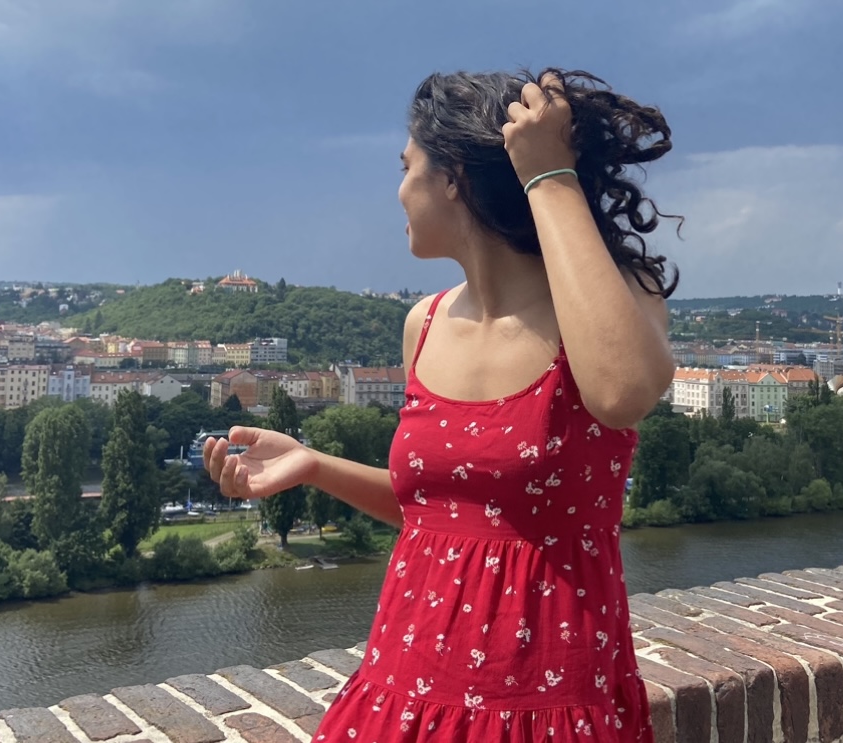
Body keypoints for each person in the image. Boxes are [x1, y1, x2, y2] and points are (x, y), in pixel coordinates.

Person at [204, 67, 678, 742]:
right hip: (400, 695)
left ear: (452, 176)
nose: (397, 192)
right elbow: (442, 518)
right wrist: (312, 465)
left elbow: (623, 392)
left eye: (407, 168)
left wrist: (548, 175)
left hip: (542, 710)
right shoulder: (421, 325)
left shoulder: (608, 302)